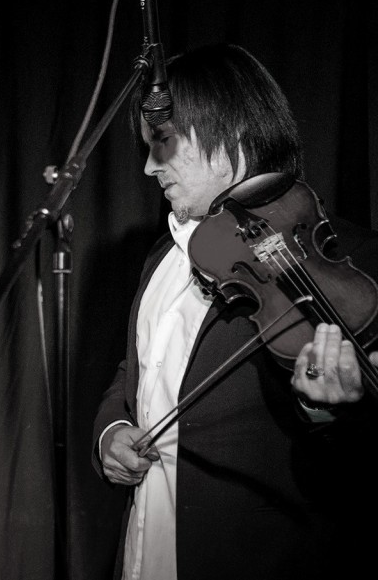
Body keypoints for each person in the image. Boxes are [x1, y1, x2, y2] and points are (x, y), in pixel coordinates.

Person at [92, 43, 378, 580]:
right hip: (143, 552)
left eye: (163, 144)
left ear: (234, 134)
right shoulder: (160, 255)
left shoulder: (351, 264)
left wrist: (334, 411)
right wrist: (112, 429)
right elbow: (133, 372)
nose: (149, 167)